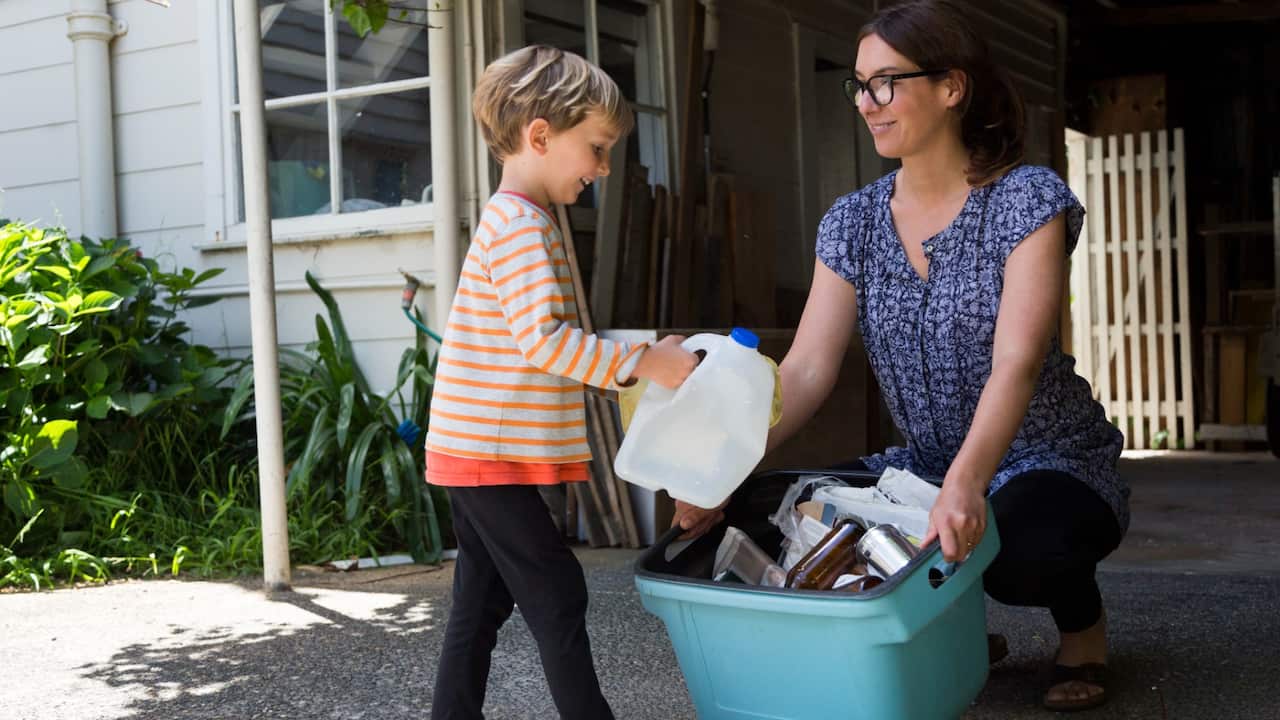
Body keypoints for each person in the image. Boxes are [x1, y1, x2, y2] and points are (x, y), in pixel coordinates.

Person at [672, 1, 1128, 712]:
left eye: (886, 82)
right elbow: (809, 369)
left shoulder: (1025, 200)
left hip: (1047, 457)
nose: (867, 103)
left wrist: (969, 483)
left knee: (1011, 546)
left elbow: (1017, 357)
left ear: (953, 87)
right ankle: (946, 635)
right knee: (768, 505)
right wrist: (722, 468)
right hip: (926, 463)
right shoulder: (852, 221)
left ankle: (1083, 628)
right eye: (859, 85)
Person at [425, 45, 698, 720]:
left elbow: (541, 340)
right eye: (597, 148)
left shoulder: (522, 218)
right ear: (540, 135)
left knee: (482, 602)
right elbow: (543, 342)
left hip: (477, 451)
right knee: (556, 593)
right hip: (487, 456)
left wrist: (636, 360)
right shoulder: (520, 226)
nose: (603, 168)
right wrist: (641, 364)